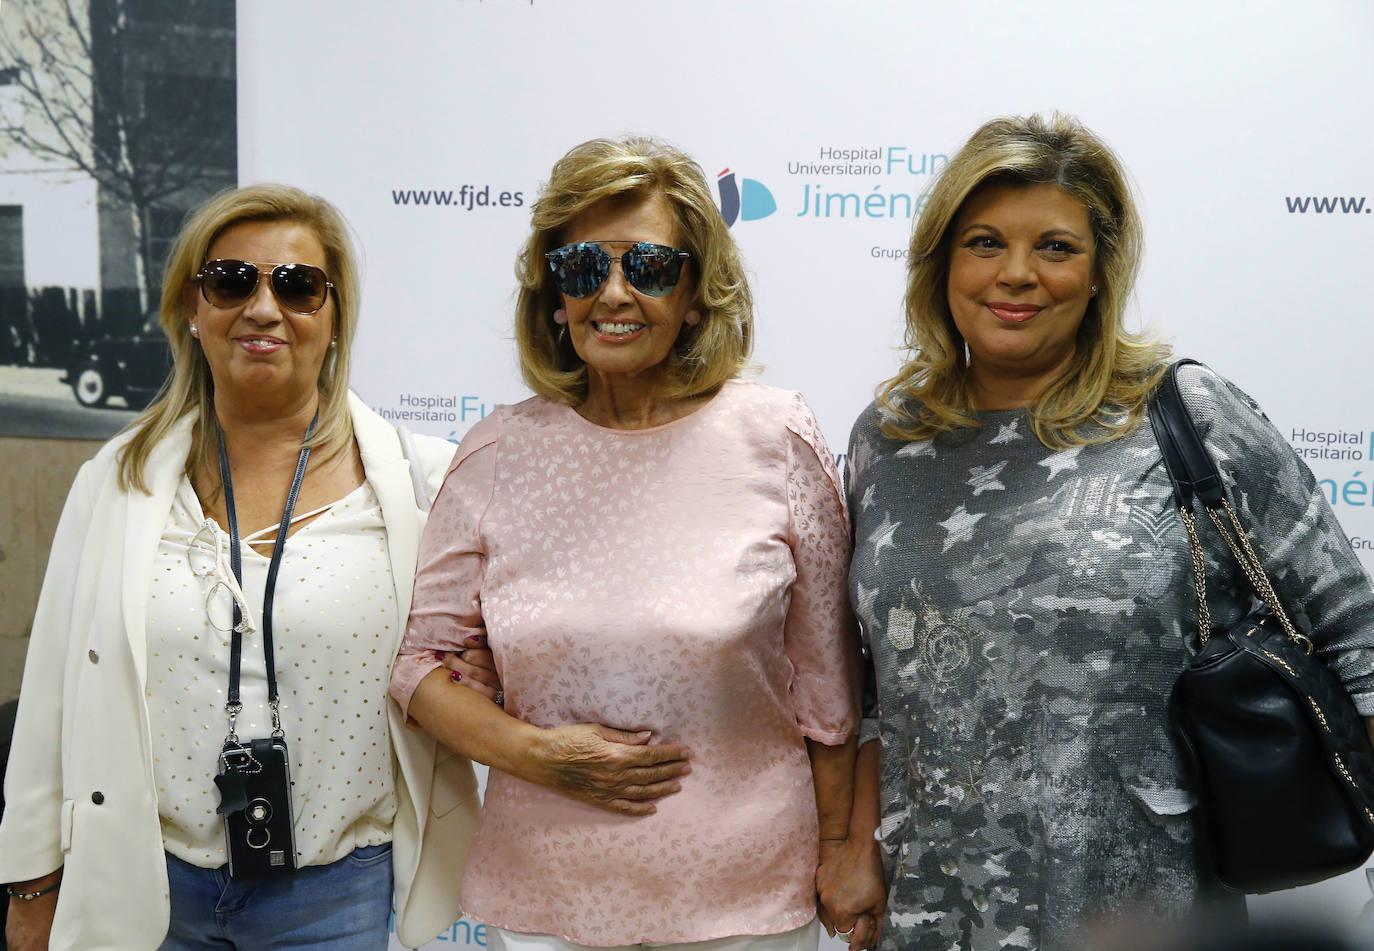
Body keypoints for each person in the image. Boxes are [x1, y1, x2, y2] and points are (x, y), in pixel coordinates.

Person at [835, 114, 1374, 950]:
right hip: (933, 911)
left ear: (1099, 272)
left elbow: (1355, 636)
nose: (1016, 274)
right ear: (941, 261)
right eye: (984, 241)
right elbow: (869, 691)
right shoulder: (887, 437)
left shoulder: (1184, 413)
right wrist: (853, 846)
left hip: (1142, 917)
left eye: (1055, 246)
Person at [389, 136, 864, 951]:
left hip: (744, 902)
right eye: (583, 268)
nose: (614, 292)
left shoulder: (776, 436)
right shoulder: (497, 453)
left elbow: (829, 692)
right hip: (548, 902)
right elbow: (421, 668)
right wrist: (537, 753)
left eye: (647, 266)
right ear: (554, 298)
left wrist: (838, 849)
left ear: (695, 294)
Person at [0, 184, 496, 951]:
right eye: (232, 281)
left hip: (338, 900)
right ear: (192, 311)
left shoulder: (420, 483)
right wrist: (33, 883)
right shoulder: (116, 479)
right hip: (146, 891)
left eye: (298, 286)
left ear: (334, 320)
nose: (263, 308)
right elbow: (52, 695)